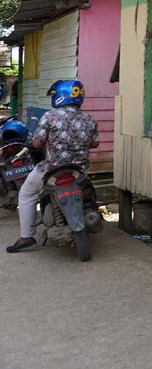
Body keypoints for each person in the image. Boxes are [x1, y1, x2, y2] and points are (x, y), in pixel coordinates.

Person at [6, 80, 99, 253]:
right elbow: (95, 144)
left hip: (53, 169)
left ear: (60, 96)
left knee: (26, 194)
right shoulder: (89, 119)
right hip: (79, 170)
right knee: (90, 192)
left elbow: (37, 142)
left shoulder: (50, 116)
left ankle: (26, 236)